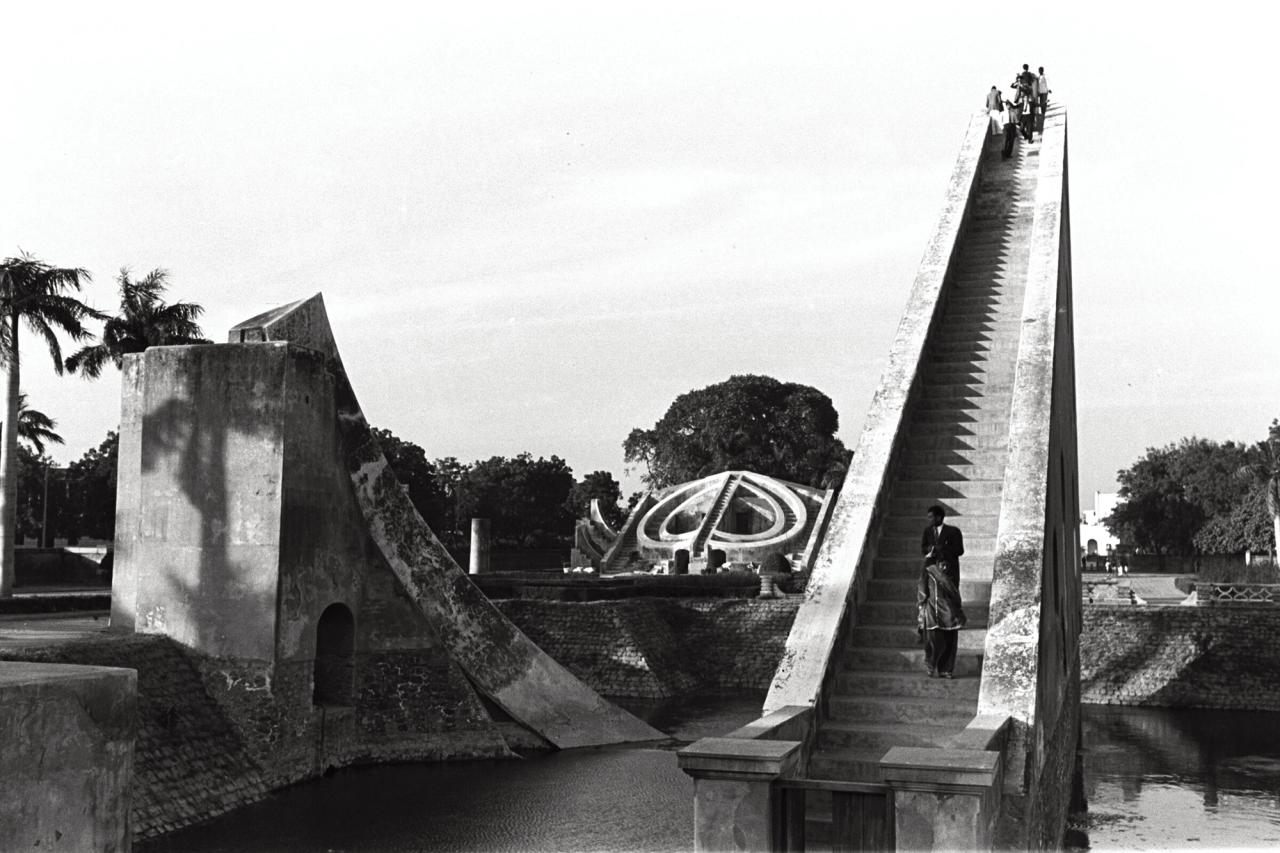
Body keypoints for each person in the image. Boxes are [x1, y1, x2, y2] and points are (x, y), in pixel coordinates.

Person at [920, 505, 966, 678]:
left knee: (950, 625)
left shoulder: (953, 532)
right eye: (928, 517)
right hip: (932, 578)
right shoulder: (927, 532)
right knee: (933, 629)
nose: (930, 520)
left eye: (932, 517)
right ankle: (932, 663)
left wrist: (942, 550)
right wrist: (930, 551)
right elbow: (923, 549)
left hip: (948, 580)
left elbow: (959, 550)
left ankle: (947, 668)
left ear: (939, 517)